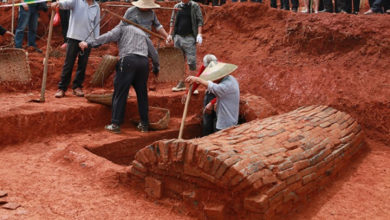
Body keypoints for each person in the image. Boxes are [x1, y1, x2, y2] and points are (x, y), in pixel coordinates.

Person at [79, 24, 160, 133]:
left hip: (128, 61)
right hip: (143, 63)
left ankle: (115, 124)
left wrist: (89, 43)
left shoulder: (122, 28)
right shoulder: (142, 32)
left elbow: (108, 36)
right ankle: (144, 124)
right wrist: (156, 67)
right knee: (142, 94)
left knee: (120, 92)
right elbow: (154, 53)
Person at [51, 0, 100, 98]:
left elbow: (96, 24)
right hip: (73, 37)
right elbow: (66, 4)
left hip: (87, 40)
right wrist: (58, 4)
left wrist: (96, 40)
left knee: (83, 64)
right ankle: (62, 88)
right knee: (68, 63)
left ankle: (77, 87)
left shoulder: (96, 7)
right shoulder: (77, 1)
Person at [185, 60, 240, 134]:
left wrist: (198, 79)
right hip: (229, 120)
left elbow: (214, 87)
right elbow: (223, 93)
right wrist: (212, 103)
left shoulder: (226, 85)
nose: (213, 80)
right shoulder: (230, 79)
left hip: (225, 125)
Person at [166, 0, 203, 92]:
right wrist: (170, 35)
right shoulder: (177, 6)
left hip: (189, 37)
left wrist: (199, 34)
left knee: (191, 62)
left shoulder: (194, 6)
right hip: (177, 37)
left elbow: (199, 20)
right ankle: (181, 83)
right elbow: (172, 21)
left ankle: (192, 85)